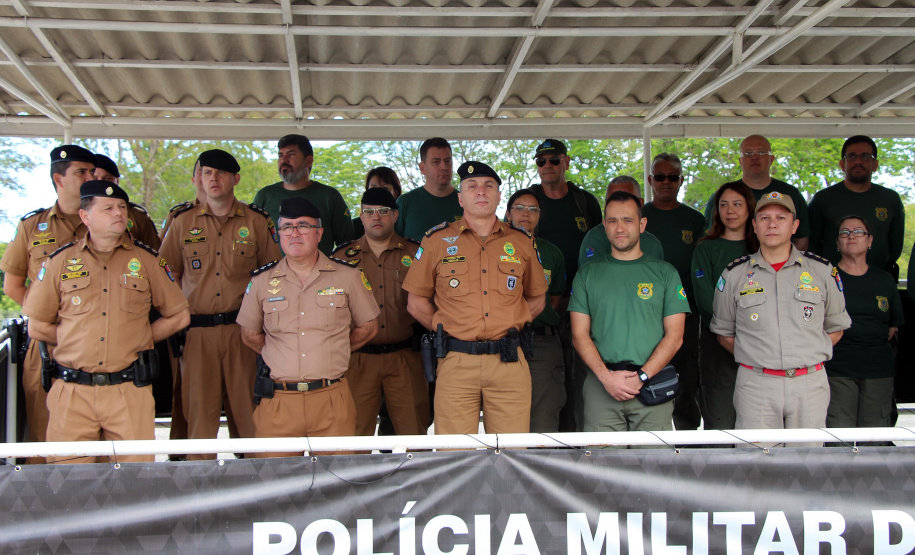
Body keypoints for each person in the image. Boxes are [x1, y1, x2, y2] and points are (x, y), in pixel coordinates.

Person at [22, 181, 189, 463]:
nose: (119, 213)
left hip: (129, 390)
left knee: (134, 480)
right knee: (69, 479)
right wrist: (79, 340)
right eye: (108, 208)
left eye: (122, 207)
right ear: (85, 216)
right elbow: (36, 326)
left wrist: (138, 337)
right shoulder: (59, 262)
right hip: (72, 391)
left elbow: (179, 315)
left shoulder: (147, 260)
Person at [403, 161, 548, 434]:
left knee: (511, 450)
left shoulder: (521, 241)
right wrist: (448, 328)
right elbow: (416, 303)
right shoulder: (436, 240)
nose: (481, 191)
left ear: (499, 196)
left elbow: (538, 298)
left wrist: (510, 321)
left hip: (508, 360)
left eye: (488, 186)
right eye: (472, 186)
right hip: (456, 360)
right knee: (454, 451)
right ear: (460, 198)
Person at [160, 148, 282, 460]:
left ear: (235, 179)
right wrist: (179, 313)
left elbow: (273, 277)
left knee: (250, 417)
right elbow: (166, 274)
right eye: (207, 173)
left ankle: (257, 481)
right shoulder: (182, 222)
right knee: (199, 420)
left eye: (221, 173)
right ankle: (199, 486)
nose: (213, 179)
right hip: (197, 335)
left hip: (243, 333)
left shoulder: (256, 222)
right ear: (200, 179)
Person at [238, 198, 379, 457]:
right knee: (275, 478)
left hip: (331, 399)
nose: (294, 233)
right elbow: (249, 334)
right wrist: (281, 354)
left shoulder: (348, 276)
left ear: (319, 233)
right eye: (287, 227)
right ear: (279, 234)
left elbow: (368, 327)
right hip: (278, 402)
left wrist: (332, 349)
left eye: (303, 226)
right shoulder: (261, 281)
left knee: (336, 478)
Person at [711, 192, 851, 446]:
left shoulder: (822, 271)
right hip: (756, 385)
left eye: (781, 218)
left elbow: (835, 328)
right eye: (764, 218)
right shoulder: (734, 274)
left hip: (809, 384)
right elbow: (724, 333)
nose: (772, 224)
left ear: (795, 225)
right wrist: (762, 358)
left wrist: (803, 355)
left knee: (808, 462)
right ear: (754, 226)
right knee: (756, 463)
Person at [0, 144, 96, 460]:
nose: (90, 176)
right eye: (81, 172)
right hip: (47, 347)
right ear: (59, 178)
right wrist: (48, 317)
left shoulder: (105, 221)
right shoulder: (32, 225)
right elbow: (13, 286)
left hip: (98, 344)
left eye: (92, 171)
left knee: (96, 441)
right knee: (44, 437)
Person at [569, 190, 689, 437]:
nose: (620, 228)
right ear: (604, 225)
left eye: (627, 220)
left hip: (652, 385)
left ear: (642, 224)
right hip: (602, 385)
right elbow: (579, 335)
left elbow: (675, 336)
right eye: (612, 221)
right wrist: (606, 377)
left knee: (652, 460)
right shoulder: (587, 274)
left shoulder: (666, 273)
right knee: (602, 460)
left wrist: (642, 376)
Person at [332, 188, 429, 437]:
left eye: (383, 211)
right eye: (369, 212)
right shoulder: (341, 258)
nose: (376, 217)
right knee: (352, 435)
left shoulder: (416, 253)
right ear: (361, 217)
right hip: (358, 359)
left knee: (413, 433)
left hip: (405, 356)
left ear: (395, 215)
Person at [643, 153, 707, 431]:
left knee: (687, 378)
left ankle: (688, 439)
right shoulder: (639, 217)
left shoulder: (695, 220)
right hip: (645, 314)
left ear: (681, 180)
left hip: (685, 314)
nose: (666, 182)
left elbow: (702, 267)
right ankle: (651, 438)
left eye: (672, 177)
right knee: (647, 375)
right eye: (660, 177)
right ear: (650, 180)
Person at [690, 182, 758, 430]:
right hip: (718, 347)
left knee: (758, 428)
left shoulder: (762, 248)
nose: (730, 210)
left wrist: (752, 334)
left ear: (749, 208)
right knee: (721, 424)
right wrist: (732, 334)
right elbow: (705, 299)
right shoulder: (706, 248)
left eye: (737, 204)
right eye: (724, 205)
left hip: (761, 348)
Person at [825, 216, 903, 430]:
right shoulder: (826, 278)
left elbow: (892, 328)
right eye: (845, 232)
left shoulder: (885, 281)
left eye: (858, 231)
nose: (851, 236)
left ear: (870, 240)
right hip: (837, 370)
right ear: (837, 242)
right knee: (839, 436)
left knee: (875, 436)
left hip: (878, 370)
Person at [504, 188, 567, 433]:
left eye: (533, 209)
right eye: (519, 208)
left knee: (544, 416)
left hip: (541, 340)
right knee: (506, 416)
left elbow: (555, 297)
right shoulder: (492, 248)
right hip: (502, 340)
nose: (526, 214)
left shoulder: (551, 253)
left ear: (539, 216)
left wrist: (532, 318)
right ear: (508, 213)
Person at [808, 135, 905, 280]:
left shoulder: (890, 199)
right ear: (842, 164)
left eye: (865, 156)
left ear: (875, 164)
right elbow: (812, 244)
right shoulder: (823, 199)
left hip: (878, 280)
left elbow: (895, 246)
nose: (858, 161)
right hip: (831, 281)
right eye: (852, 156)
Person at [702, 135, 810, 250]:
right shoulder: (723, 196)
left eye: (761, 152)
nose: (754, 157)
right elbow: (709, 238)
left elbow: (802, 241)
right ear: (740, 161)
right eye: (748, 153)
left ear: (771, 159)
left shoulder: (790, 194)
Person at [252, 134, 354, 255]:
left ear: (308, 161)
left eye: (291, 154)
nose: (284, 160)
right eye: (280, 155)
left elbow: (347, 246)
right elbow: (252, 243)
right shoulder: (264, 196)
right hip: (274, 268)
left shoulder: (329, 196)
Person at [529, 139, 602, 289]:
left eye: (554, 160)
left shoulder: (586, 202)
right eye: (541, 161)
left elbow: (601, 244)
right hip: (538, 291)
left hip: (581, 290)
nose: (547, 165)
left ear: (567, 162)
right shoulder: (526, 203)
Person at [578, 176, 664, 269]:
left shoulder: (653, 244)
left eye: (625, 199)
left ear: (640, 203)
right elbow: (591, 275)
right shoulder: (595, 239)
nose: (618, 204)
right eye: (612, 200)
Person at [395, 138, 462, 241]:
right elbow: (393, 245)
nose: (444, 167)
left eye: (448, 161)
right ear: (422, 168)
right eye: (436, 162)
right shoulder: (405, 203)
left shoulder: (466, 202)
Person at [92, 153, 161, 249]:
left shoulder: (137, 216)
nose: (100, 183)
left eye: (107, 179)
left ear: (117, 181)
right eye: (95, 178)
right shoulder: (78, 212)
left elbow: (156, 253)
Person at [352, 166, 403, 239]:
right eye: (373, 189)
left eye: (385, 189)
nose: (378, 193)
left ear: (396, 192)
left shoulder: (405, 221)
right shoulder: (355, 227)